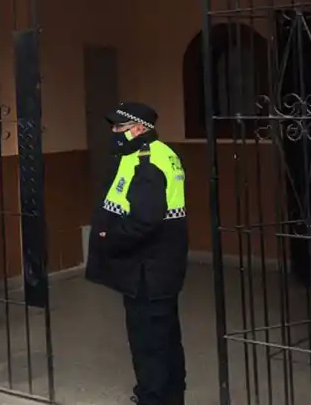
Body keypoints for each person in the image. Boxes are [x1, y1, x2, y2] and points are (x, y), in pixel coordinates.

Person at [86, 102, 188, 405]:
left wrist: (108, 238)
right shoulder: (161, 154)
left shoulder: (147, 161)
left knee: (149, 345)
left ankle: (153, 398)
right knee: (166, 340)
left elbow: (145, 220)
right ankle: (170, 397)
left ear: (139, 128)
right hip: (159, 270)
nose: (114, 133)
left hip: (148, 272)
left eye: (119, 127)